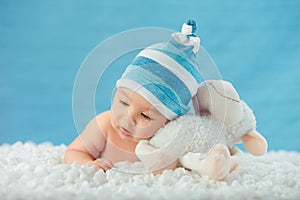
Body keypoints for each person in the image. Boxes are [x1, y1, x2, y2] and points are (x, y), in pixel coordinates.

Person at [64, 19, 202, 172]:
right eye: (124, 102)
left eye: (145, 115)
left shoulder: (165, 142)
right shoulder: (104, 126)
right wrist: (88, 164)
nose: (128, 117)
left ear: (168, 122)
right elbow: (74, 152)